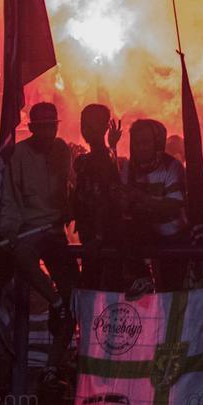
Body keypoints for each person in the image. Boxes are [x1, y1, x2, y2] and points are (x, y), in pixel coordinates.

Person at [0, 102, 78, 391]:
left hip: (55, 231)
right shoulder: (19, 154)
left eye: (52, 125)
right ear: (31, 128)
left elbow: (70, 189)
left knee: (74, 301)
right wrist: (12, 229)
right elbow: (10, 194)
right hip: (29, 228)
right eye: (42, 126)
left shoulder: (63, 151)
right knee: (22, 258)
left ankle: (52, 368)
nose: (48, 131)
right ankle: (54, 302)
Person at [120, 118, 187, 297]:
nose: (140, 147)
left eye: (145, 142)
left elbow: (174, 205)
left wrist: (141, 198)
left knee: (171, 294)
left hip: (173, 239)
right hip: (143, 237)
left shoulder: (172, 167)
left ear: (157, 143)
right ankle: (141, 279)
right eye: (136, 143)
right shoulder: (127, 167)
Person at [72, 103, 122, 291]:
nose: (86, 130)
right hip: (91, 236)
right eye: (84, 124)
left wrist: (99, 237)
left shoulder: (101, 159)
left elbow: (105, 199)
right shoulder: (88, 159)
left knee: (99, 288)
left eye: (92, 124)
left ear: (104, 127)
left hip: (101, 239)